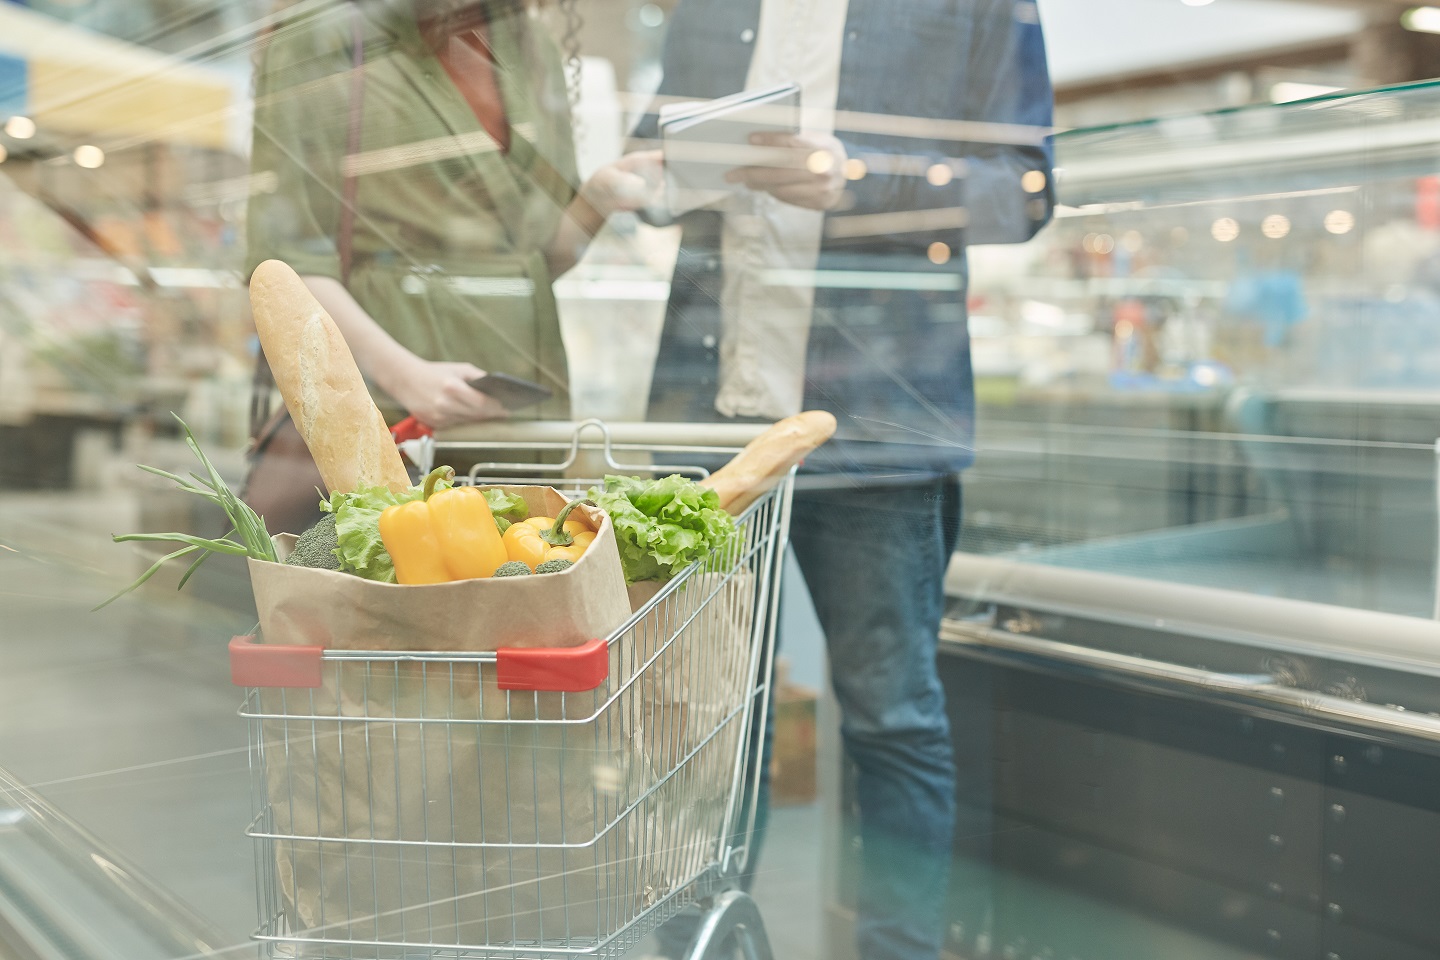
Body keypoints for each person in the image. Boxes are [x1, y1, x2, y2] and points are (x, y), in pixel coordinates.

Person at [635, 2, 1054, 957]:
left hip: (879, 418)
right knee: (696, 725)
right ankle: (706, 944)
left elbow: (1023, 191)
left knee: (892, 717)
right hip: (704, 419)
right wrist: (643, 175)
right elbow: (656, 151)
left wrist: (856, 175)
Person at [245, 0, 658, 527]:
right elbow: (286, 265)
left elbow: (537, 257)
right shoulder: (323, 38)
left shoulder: (528, 40)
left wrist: (600, 194)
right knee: (394, 586)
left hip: (522, 403)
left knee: (525, 586)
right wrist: (407, 377)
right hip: (390, 412)